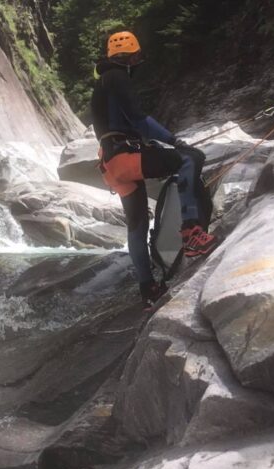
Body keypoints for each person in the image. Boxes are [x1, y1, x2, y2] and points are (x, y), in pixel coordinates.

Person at [90, 30, 217, 308]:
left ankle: (148, 289)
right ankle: (192, 231)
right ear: (132, 57)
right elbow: (139, 120)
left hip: (110, 165)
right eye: (137, 57)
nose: (138, 62)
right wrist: (174, 141)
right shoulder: (119, 77)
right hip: (124, 155)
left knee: (137, 224)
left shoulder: (101, 83)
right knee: (189, 158)